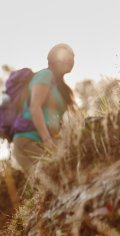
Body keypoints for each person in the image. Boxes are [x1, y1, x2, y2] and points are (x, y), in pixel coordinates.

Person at [12, 43, 76, 173]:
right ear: (53, 60)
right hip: (28, 140)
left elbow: (56, 120)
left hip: (45, 141)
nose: (71, 60)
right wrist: (47, 139)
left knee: (59, 176)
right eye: (66, 56)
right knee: (52, 178)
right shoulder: (45, 75)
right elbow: (35, 107)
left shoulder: (63, 89)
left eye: (73, 56)